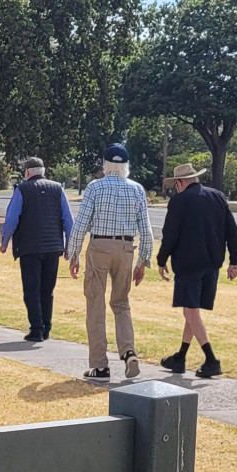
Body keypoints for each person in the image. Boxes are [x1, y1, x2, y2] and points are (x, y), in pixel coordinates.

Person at [67, 141, 152, 379]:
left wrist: (73, 253)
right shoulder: (136, 189)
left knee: (95, 305)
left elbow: (81, 224)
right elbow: (146, 230)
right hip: (126, 248)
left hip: (100, 246)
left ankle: (100, 364)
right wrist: (143, 261)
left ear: (105, 165)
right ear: (126, 166)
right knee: (121, 303)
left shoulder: (95, 187)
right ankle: (128, 351)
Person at [154, 163, 237, 378]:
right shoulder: (218, 197)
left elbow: (170, 235)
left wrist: (161, 260)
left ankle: (211, 359)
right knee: (192, 312)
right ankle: (180, 357)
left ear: (180, 182)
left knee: (190, 312)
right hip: (212, 263)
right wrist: (234, 261)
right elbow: (232, 229)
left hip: (188, 263)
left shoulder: (179, 201)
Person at [0, 156, 73, 342]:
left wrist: (4, 241)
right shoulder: (58, 189)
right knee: (47, 290)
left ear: (27, 172)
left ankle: (36, 328)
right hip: (53, 247)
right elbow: (68, 220)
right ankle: (46, 327)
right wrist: (69, 246)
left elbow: (11, 220)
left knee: (31, 290)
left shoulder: (22, 189)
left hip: (29, 247)